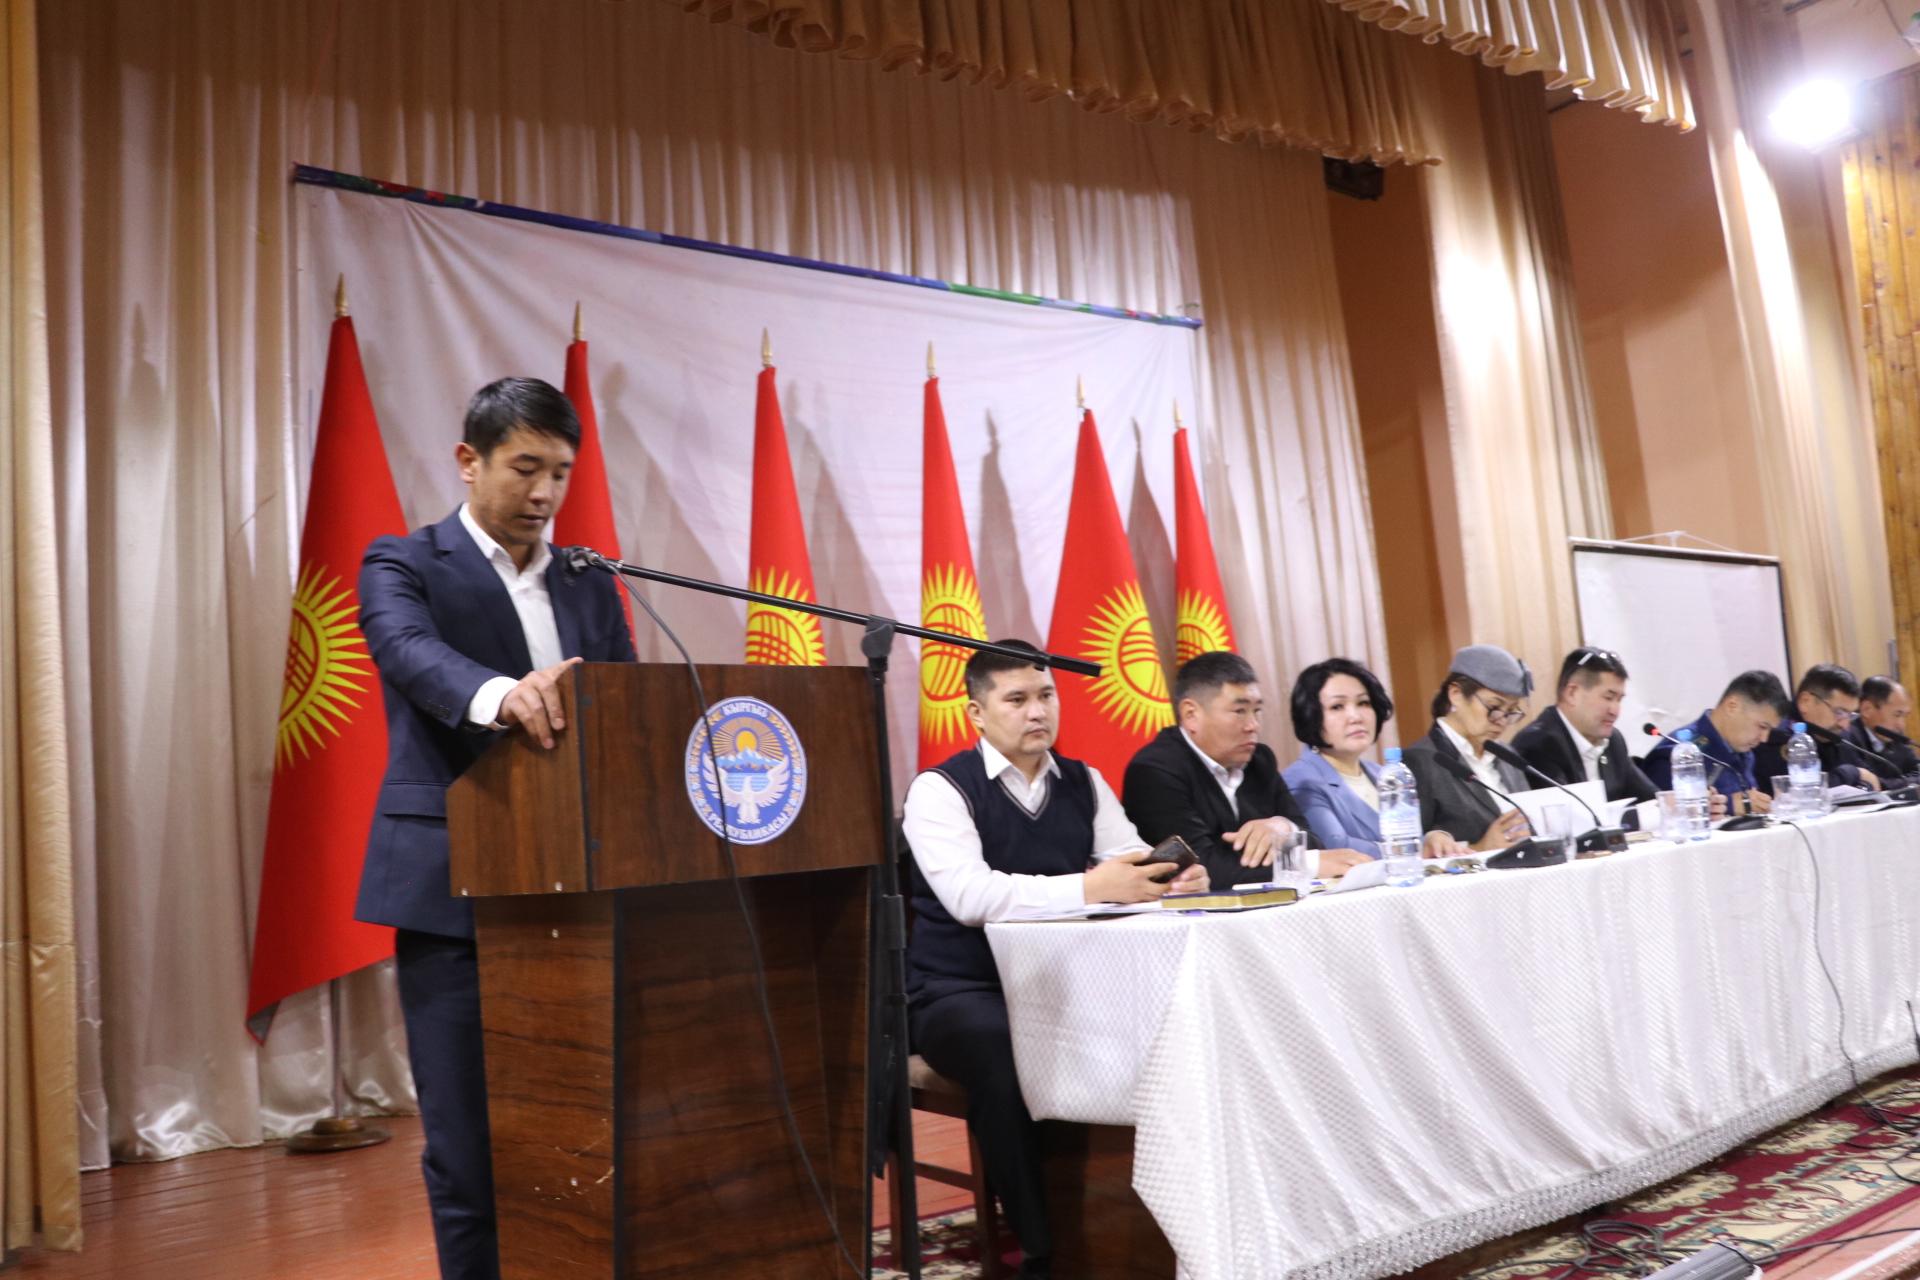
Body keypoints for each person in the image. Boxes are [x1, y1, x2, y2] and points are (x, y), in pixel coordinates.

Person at [354, 378, 637, 1280]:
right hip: (456, 894)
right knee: (468, 1147)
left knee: (590, 1133)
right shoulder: (404, 561)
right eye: (525, 468)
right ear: (468, 461)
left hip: (583, 894)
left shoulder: (588, 580)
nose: (544, 493)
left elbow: (625, 701)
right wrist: (502, 695)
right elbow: (408, 652)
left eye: (560, 472)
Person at [903, 641, 1206, 1279]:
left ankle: (1134, 1225)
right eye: (1017, 699)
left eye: (1046, 695)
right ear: (976, 713)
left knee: (1175, 1028)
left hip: (1068, 982)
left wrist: (1168, 879)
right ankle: (1042, 1251)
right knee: (1004, 1053)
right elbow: (971, 897)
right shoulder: (940, 790)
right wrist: (1088, 887)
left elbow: (1127, 860)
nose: (1037, 711)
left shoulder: (1083, 781)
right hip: (961, 991)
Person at [1124, 651, 1372, 885]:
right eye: (1240, 711)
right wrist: (1306, 864)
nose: (1253, 725)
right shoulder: (1155, 770)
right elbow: (1200, 867)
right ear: (1191, 714)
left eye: (1257, 711)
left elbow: (1312, 840)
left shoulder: (1260, 760)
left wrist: (1284, 828)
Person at [1280, 657, 1468, 859]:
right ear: (1310, 716)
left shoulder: (1382, 773)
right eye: (1337, 706)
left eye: (1363, 703)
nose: (1356, 717)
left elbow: (1406, 836)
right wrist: (1412, 850)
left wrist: (1432, 838)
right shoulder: (1302, 780)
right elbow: (1335, 846)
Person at [1507, 647, 1714, 827]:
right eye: (1608, 697)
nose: (1615, 711)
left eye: (1619, 700)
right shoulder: (1539, 745)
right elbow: (1571, 823)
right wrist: (1648, 814)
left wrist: (1689, 804)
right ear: (1572, 693)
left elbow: (1651, 799)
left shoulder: (1613, 740)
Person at [1399, 645, 1536, 851]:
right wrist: (1480, 848)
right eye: (1494, 707)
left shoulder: (1508, 757)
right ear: (1456, 694)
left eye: (1511, 711)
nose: (1501, 720)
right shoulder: (1419, 761)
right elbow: (1412, 853)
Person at [1641, 669, 1789, 814]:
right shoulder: (1678, 753)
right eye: (1762, 727)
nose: (1764, 738)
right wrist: (1729, 805)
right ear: (1732, 706)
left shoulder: (1744, 751)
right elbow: (1661, 811)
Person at [1752, 664, 1882, 792]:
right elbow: (1799, 794)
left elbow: (1871, 779)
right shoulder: (1775, 735)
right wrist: (1850, 773)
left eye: (1850, 715)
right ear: (1805, 702)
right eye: (1839, 712)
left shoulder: (1838, 736)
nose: (1845, 724)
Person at [1851, 675, 1917, 781]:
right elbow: (1870, 784)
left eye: (1904, 716)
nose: (1901, 725)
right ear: (1867, 709)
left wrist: (1900, 783)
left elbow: (1917, 772)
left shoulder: (1895, 736)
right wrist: (1905, 783)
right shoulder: (1848, 739)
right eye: (1897, 714)